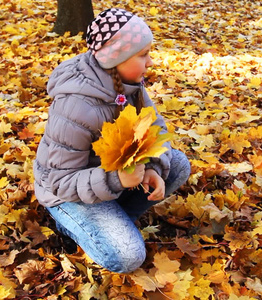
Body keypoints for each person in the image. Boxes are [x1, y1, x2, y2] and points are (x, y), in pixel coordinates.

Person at [33, 8, 190, 273]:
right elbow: (59, 181)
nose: (150, 62)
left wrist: (152, 167)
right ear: (116, 57)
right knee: (127, 257)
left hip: (112, 176)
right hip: (68, 195)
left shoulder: (129, 85)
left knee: (177, 164)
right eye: (142, 55)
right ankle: (72, 225)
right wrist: (116, 180)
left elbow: (156, 129)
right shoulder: (76, 107)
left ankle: (114, 222)